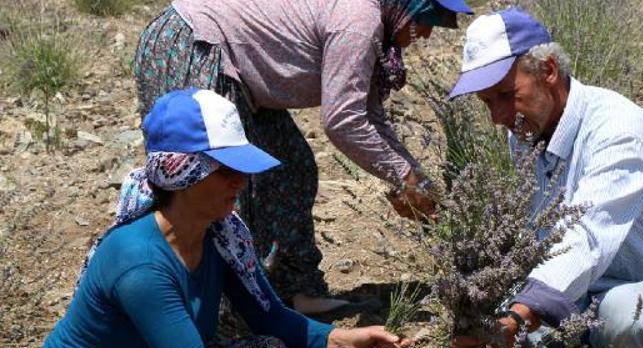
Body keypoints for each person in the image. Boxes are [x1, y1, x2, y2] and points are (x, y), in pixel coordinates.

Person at [18, 89, 409, 348]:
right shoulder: (139, 262)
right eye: (225, 170)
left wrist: (343, 340)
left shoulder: (220, 236)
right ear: (181, 174)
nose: (241, 181)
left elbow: (269, 318)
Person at [445, 8, 643, 348]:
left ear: (548, 69)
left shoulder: (620, 131)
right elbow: (542, 240)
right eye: (486, 103)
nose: (497, 117)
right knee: (486, 330)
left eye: (504, 95)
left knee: (629, 310)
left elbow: (585, 236)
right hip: (579, 304)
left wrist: (518, 316)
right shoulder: (531, 130)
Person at [132, 0, 473, 315]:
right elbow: (343, 121)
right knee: (208, 185)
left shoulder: (371, 21)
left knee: (291, 169)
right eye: (427, 19)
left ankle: (292, 290)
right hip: (197, 43)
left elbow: (368, 114)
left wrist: (414, 178)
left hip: (245, 77)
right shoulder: (359, 21)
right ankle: (205, 310)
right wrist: (404, 177)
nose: (427, 33)